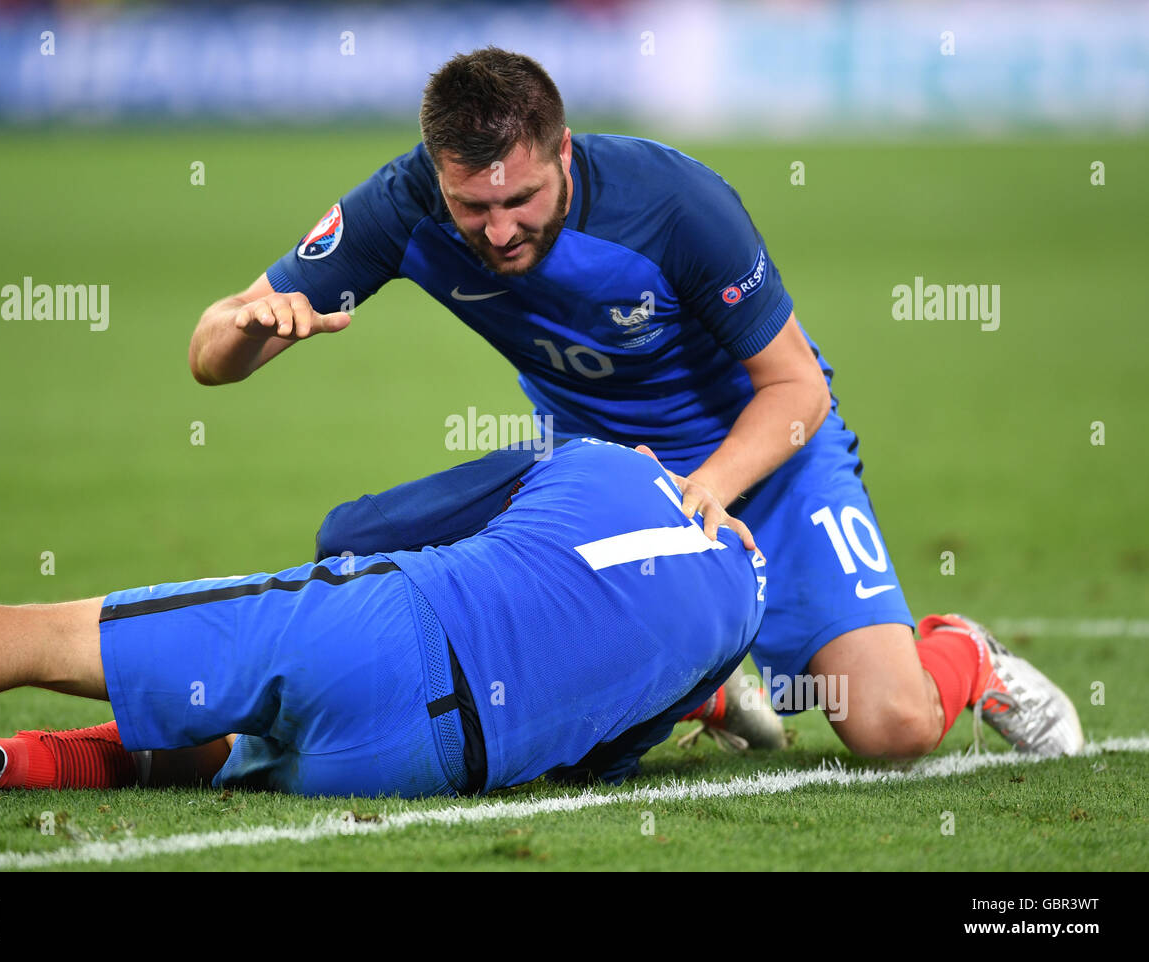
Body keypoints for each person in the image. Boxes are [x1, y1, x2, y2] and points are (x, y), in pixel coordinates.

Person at [187, 47, 1083, 760]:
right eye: (472, 206)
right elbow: (210, 355)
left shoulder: (676, 207)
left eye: (522, 198)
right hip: (605, 482)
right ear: (437, 174)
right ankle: (706, 676)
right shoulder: (398, 206)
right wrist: (256, 328)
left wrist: (708, 492)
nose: (499, 229)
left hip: (765, 459)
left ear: (564, 152)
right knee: (401, 581)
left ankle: (966, 653)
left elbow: (797, 386)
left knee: (889, 727)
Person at [0, 440, 765, 796]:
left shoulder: (597, 461)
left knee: (46, 636)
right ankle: (6, 766)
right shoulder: (735, 622)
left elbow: (358, 530)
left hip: (383, 627)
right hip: (420, 767)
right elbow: (598, 764)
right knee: (197, 756)